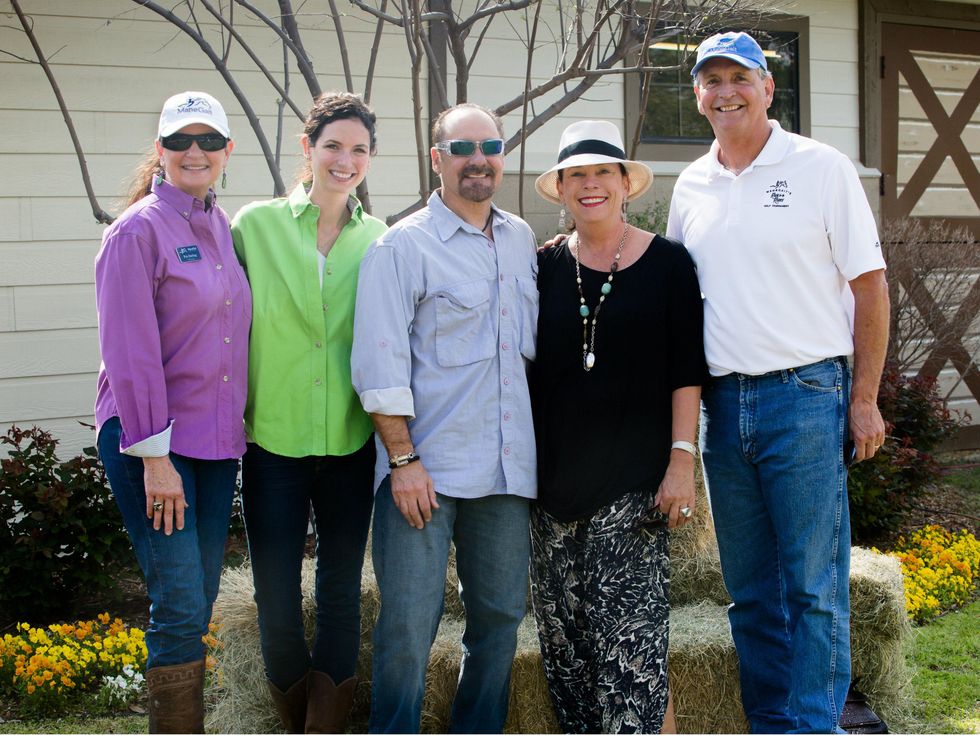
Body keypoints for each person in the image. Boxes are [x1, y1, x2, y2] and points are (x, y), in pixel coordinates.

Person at [666, 31, 889, 734]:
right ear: (698, 95)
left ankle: (814, 727)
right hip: (724, 409)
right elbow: (675, 296)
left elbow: (871, 287)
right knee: (751, 593)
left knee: (815, 588)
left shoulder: (821, 168)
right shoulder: (691, 184)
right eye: (711, 80)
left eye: (740, 77)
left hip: (807, 396)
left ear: (768, 87)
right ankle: (772, 723)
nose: (725, 91)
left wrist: (863, 398)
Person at [351, 102, 538, 734]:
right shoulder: (401, 247)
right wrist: (403, 462)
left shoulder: (520, 241)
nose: (478, 160)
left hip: (507, 475)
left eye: (489, 146)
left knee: (501, 619)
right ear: (438, 159)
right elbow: (379, 368)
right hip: (424, 473)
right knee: (407, 623)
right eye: (462, 149)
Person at [529, 120, 707, 734]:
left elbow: (688, 372)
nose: (591, 184)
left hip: (632, 493)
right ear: (562, 189)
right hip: (551, 499)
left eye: (603, 171)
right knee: (569, 662)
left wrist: (681, 462)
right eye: (577, 174)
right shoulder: (544, 266)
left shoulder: (669, 265)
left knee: (634, 660)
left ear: (625, 183)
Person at [230, 92, 387, 733]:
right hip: (272, 443)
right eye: (333, 146)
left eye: (358, 150)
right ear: (307, 149)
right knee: (274, 593)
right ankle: (291, 716)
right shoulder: (253, 227)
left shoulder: (380, 241)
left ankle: (325, 725)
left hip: (351, 443)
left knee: (341, 590)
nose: (344, 161)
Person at [94, 91, 249, 733]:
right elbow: (129, 353)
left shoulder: (221, 226)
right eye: (180, 140)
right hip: (149, 443)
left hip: (214, 445)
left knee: (200, 595)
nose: (195, 151)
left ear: (225, 153)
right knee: (180, 599)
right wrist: (155, 460)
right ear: (160, 150)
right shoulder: (136, 231)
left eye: (208, 140)